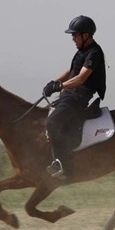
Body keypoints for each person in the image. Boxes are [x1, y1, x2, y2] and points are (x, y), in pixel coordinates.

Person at [43, 15, 106, 179]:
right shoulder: (82, 52)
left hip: (78, 97)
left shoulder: (94, 53)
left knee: (52, 122)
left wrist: (61, 86)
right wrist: (54, 83)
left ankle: (62, 165)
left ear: (85, 35)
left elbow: (81, 78)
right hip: (68, 95)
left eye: (75, 35)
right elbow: (71, 72)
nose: (72, 38)